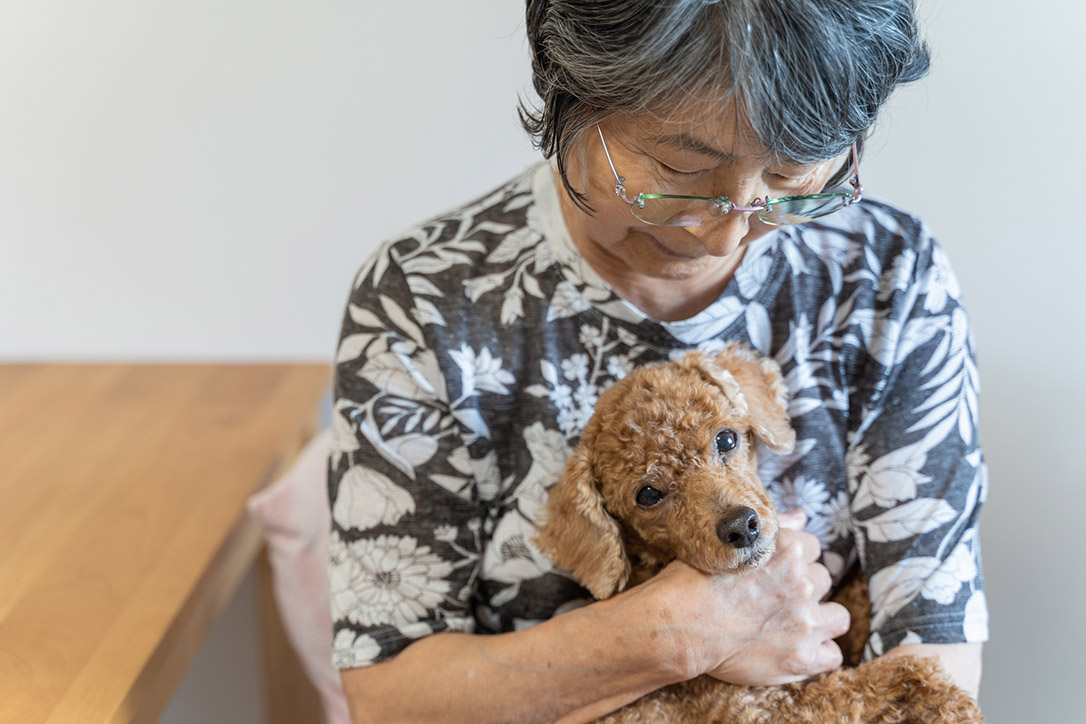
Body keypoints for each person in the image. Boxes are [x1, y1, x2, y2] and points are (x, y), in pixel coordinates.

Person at [327, 1, 988, 722]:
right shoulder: (427, 298)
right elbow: (389, 699)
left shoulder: (888, 276)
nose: (726, 234)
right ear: (569, 98)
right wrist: (673, 635)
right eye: (679, 171)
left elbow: (931, 661)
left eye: (791, 179)